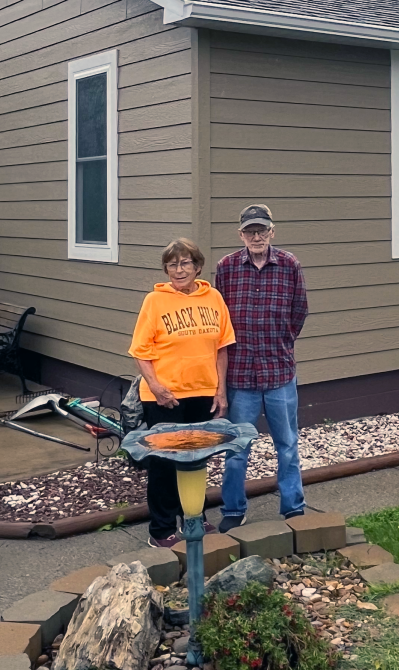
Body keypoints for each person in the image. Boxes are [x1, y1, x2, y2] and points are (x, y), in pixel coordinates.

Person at [128, 238, 233, 547]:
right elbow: (140, 351)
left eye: (185, 263)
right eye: (172, 264)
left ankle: (194, 516)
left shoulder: (213, 298)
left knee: (197, 459)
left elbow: (222, 349)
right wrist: (157, 387)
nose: (178, 269)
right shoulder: (154, 301)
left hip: (202, 392)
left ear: (197, 266)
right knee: (163, 463)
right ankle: (160, 530)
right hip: (164, 396)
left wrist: (221, 390)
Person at [215, 204, 309, 531]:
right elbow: (220, 320)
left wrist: (282, 341)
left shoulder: (289, 265)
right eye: (250, 231)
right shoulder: (225, 268)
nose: (256, 236)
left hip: (279, 373)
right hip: (241, 377)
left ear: (273, 231)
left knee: (287, 445)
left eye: (262, 230)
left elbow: (300, 311)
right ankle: (233, 509)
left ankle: (293, 508)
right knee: (237, 449)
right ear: (240, 234)